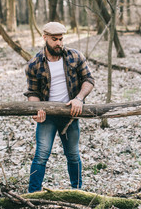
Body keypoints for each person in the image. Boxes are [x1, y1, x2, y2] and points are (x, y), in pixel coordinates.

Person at [24, 22, 95, 193]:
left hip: (70, 114)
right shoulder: (34, 64)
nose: (59, 43)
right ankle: (33, 195)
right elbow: (32, 92)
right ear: (45, 38)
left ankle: (77, 192)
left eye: (61, 39)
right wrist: (35, 110)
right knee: (41, 156)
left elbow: (89, 80)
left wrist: (79, 98)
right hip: (47, 116)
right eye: (54, 39)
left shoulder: (75, 56)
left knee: (73, 155)